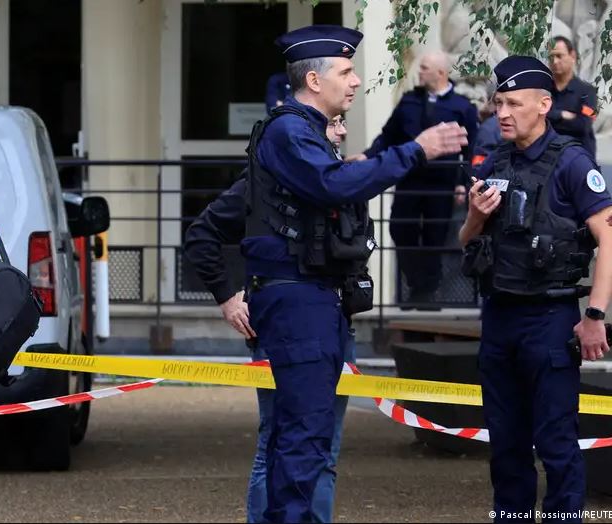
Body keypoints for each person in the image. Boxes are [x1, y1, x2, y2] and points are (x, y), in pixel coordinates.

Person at [239, 25, 467, 522]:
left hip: (317, 300)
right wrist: (415, 150)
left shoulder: (304, 132)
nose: (358, 80)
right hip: (298, 302)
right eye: (346, 71)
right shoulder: (289, 131)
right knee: (302, 441)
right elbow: (330, 185)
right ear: (315, 80)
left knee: (305, 440)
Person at [459, 55, 611, 523]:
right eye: (498, 102)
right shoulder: (496, 159)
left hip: (549, 320)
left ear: (543, 105)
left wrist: (594, 316)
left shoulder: (571, 162)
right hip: (500, 317)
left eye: (513, 104)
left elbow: (609, 238)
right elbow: (465, 242)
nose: (502, 112)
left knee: (556, 441)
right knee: (505, 443)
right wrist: (476, 216)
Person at [184, 113, 357, 524]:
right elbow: (201, 235)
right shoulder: (263, 187)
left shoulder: (338, 186)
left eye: (343, 122)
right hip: (283, 329)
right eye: (334, 123)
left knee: (325, 450)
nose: (343, 131)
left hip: (335, 325)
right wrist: (228, 298)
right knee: (276, 443)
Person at [356, 51, 479, 309]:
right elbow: (388, 136)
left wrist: (463, 182)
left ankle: (427, 293)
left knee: (435, 235)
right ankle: (416, 284)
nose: (419, 72)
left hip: (442, 182)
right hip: (409, 177)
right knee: (400, 229)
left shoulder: (461, 106)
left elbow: (470, 150)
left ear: (441, 74)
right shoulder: (409, 101)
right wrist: (367, 156)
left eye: (424, 68)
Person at [547, 36, 599, 157]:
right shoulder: (543, 90)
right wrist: (562, 115)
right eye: (551, 57)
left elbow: (584, 125)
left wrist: (550, 115)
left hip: (578, 155)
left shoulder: (588, 92)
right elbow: (535, 118)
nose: (554, 61)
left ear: (573, 56)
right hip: (547, 155)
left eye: (559, 56)